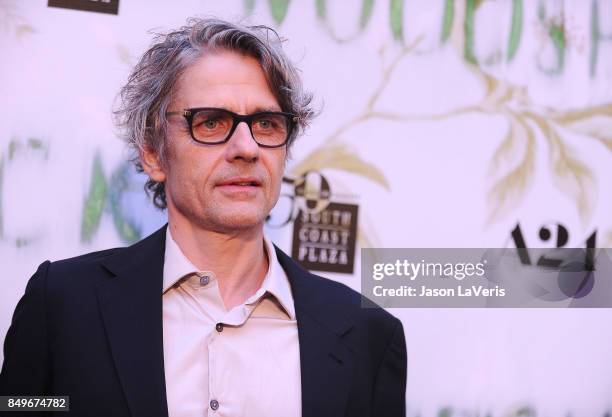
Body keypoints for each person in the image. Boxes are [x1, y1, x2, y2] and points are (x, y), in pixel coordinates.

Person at [0, 18, 406, 417]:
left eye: (266, 124)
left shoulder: (368, 335)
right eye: (211, 123)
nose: (246, 148)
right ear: (153, 154)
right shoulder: (64, 305)